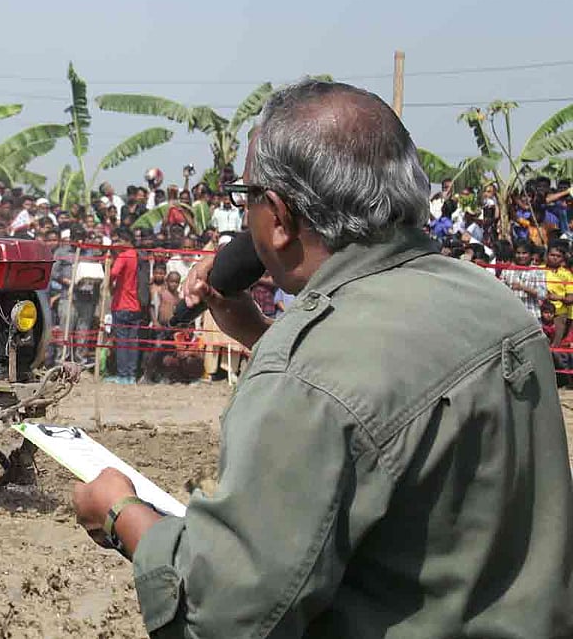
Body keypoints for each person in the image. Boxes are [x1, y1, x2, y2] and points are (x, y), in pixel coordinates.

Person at [72, 80, 572, 637]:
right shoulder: (494, 304)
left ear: (279, 218)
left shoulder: (308, 374)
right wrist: (263, 335)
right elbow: (387, 419)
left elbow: (221, 616)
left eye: (247, 197)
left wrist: (120, 513)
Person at [106, 230, 141, 384]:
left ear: (125, 241)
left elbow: (113, 273)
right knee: (132, 341)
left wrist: (109, 285)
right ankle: (131, 375)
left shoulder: (124, 255)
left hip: (122, 303)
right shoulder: (138, 256)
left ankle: (123, 375)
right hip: (135, 304)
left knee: (122, 341)